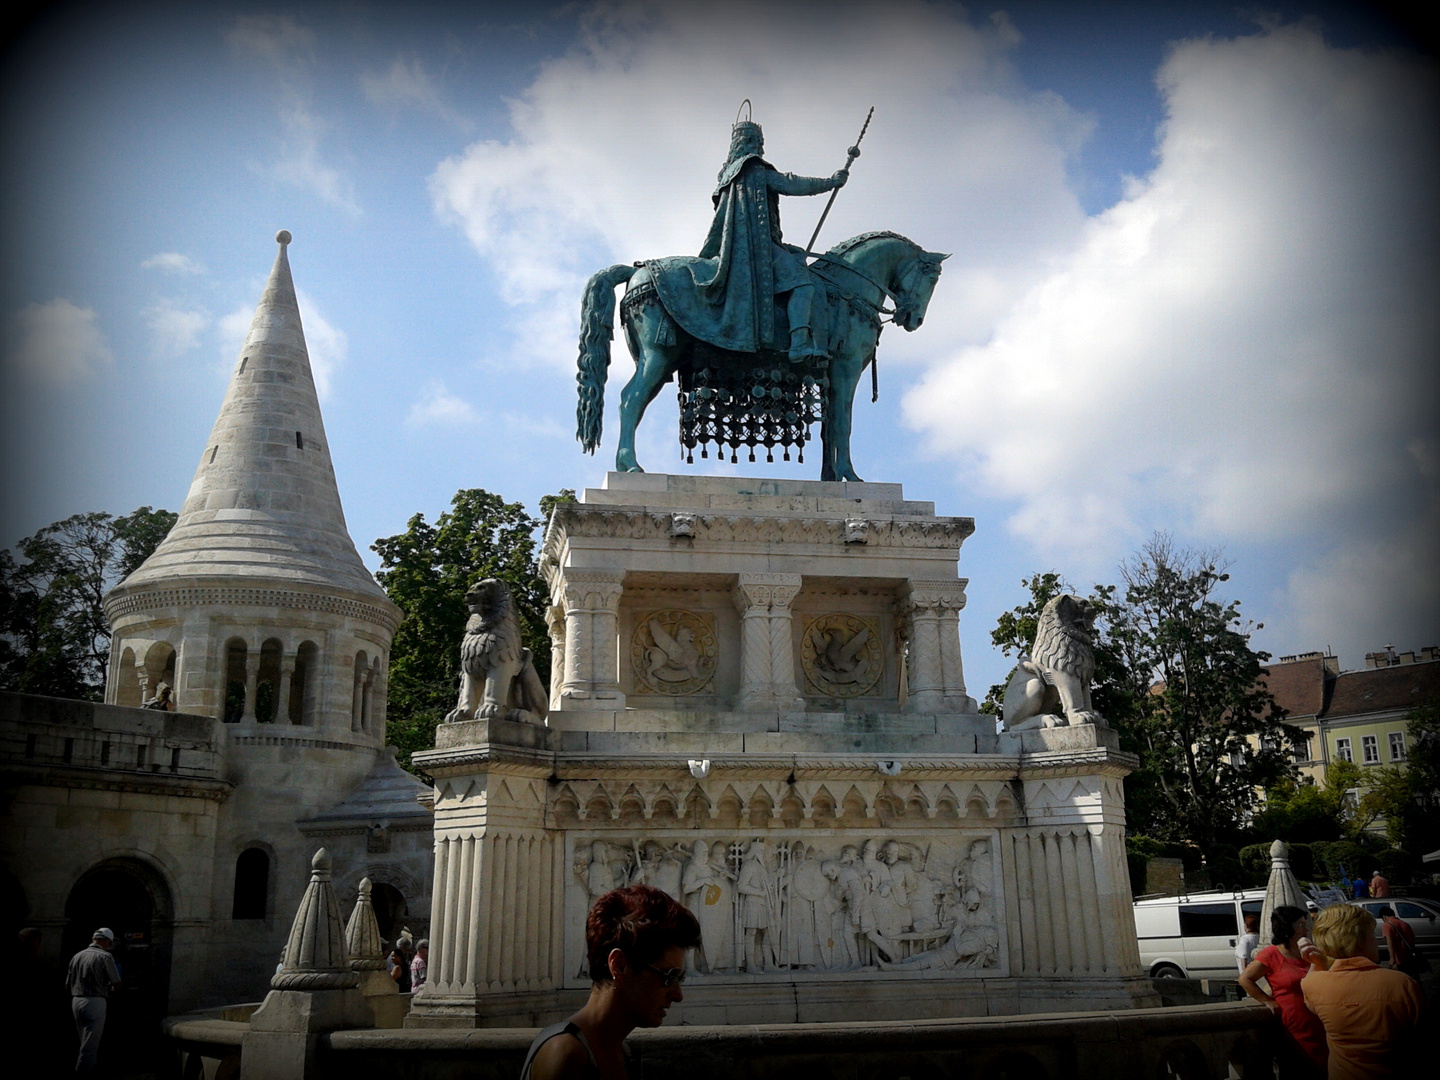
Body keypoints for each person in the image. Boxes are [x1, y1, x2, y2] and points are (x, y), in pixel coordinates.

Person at [653, 114, 849, 363]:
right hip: (758, 247)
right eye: (758, 141)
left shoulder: (727, 176)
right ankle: (799, 343)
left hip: (734, 247)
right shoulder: (755, 169)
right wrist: (830, 182)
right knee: (803, 283)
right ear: (750, 142)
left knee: (797, 255)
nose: (761, 147)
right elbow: (791, 184)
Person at [520, 884, 700, 1080]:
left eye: (679, 978)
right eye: (669, 977)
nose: (678, 995)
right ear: (620, 966)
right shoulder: (566, 1055)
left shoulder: (615, 1048)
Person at [1302, 902, 1424, 1078]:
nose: (1376, 941)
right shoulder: (1402, 984)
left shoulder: (1313, 985)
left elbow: (1311, 982)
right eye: (1372, 936)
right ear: (1357, 942)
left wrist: (1317, 961)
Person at [1238, 905, 1328, 1077]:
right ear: (1287, 927)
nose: (1306, 929)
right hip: (1293, 1023)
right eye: (1300, 925)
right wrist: (1267, 1000)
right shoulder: (1271, 954)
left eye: (1305, 924)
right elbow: (1245, 979)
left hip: (1319, 1020)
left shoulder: (1309, 951)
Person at [67, 927, 121, 1073]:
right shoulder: (105, 956)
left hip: (76, 1001)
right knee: (90, 1047)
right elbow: (117, 982)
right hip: (95, 1002)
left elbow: (68, 983)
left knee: (83, 1041)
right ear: (106, 941)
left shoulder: (77, 956)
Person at [1375, 905, 1423, 975]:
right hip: (1410, 958)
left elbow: (1390, 943)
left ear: (1384, 917)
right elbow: (1412, 940)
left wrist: (1392, 959)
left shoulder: (1387, 925)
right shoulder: (1404, 924)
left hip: (1399, 960)